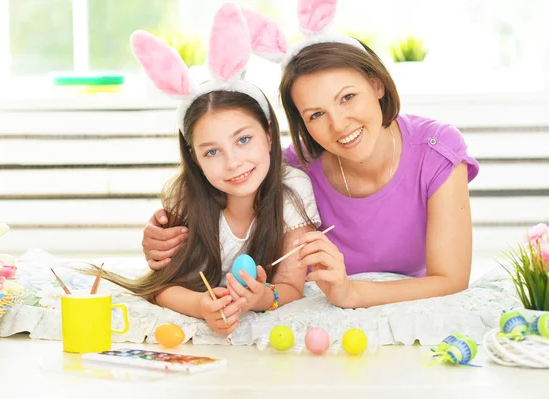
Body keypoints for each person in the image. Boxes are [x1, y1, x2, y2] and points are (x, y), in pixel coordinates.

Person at [141, 0, 479, 310]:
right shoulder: (293, 169)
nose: (339, 124)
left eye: (347, 97)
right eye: (315, 114)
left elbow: (451, 280)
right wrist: (162, 241)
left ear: (377, 84)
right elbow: (224, 212)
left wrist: (351, 293)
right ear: (299, 122)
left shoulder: (436, 151)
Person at [97, 4, 320, 335]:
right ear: (194, 157)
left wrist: (261, 298)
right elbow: (162, 286)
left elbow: (290, 286)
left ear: (269, 133)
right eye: (212, 151)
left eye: (243, 139)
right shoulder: (186, 196)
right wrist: (201, 306)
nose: (233, 163)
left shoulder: (293, 189)